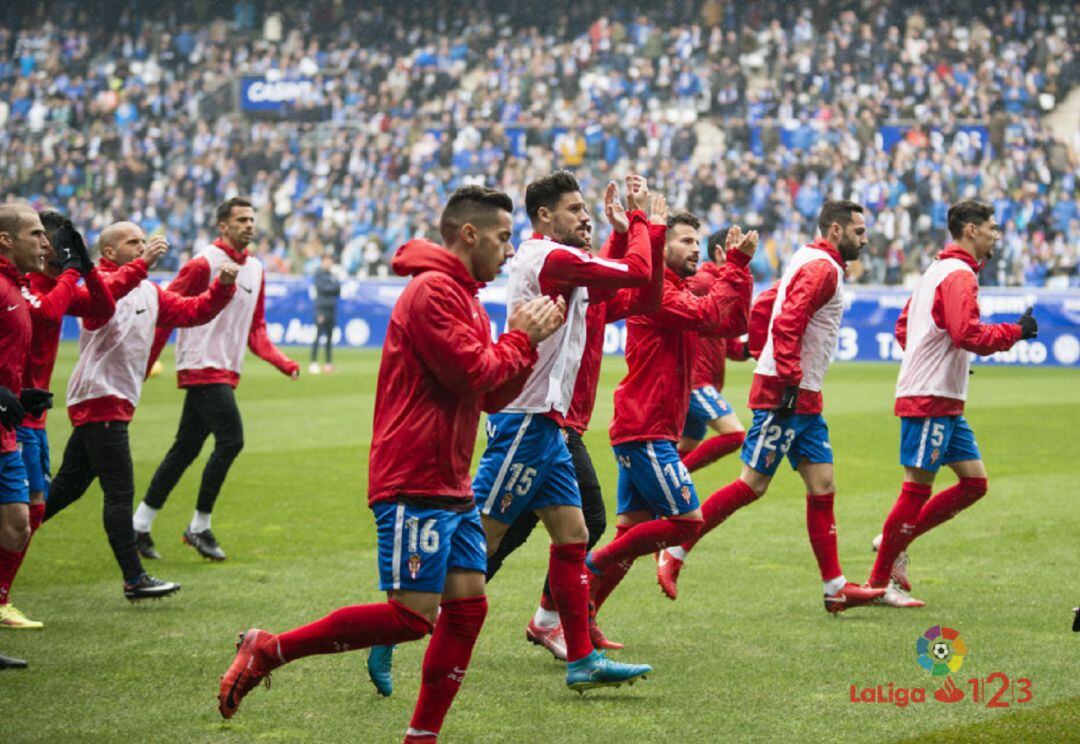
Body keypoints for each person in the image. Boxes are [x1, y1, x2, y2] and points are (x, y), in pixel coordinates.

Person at [216, 187, 564, 743]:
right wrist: (520, 339)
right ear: (469, 234)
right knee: (410, 617)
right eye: (502, 237)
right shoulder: (433, 293)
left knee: (468, 609)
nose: (509, 249)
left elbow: (493, 395)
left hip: (449, 480)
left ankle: (421, 736)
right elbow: (474, 373)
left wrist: (526, 346)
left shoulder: (466, 298)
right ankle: (269, 648)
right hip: (414, 476)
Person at [651, 201, 886, 613]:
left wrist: (762, 351)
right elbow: (788, 318)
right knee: (751, 485)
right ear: (835, 230)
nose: (865, 239)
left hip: (803, 395)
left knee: (823, 485)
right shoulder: (822, 268)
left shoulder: (810, 259)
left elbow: (766, 307)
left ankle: (834, 588)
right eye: (859, 231)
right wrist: (788, 375)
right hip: (787, 394)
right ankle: (676, 548)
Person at [467, 184, 667, 664]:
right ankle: (403, 622)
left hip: (550, 422)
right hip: (527, 420)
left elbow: (637, 289)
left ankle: (579, 657)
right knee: (482, 539)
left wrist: (636, 237)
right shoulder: (550, 260)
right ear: (544, 216)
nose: (586, 218)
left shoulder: (564, 267)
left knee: (577, 533)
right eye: (574, 210)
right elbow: (635, 273)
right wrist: (644, 224)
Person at [43, 221, 237, 601]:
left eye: (143, 241)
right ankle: (134, 578)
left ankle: (12, 532)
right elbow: (103, 304)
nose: (142, 246)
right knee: (119, 492)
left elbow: (193, 312)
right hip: (101, 397)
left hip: (111, 399)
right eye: (133, 242)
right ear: (109, 253)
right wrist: (143, 264)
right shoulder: (100, 285)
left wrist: (222, 287)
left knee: (67, 488)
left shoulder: (148, 290)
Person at [585, 212, 755, 627]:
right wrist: (733, 266)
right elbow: (713, 316)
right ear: (663, 248)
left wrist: (741, 269)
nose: (696, 248)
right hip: (646, 430)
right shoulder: (659, 292)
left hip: (650, 427)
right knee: (684, 524)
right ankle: (591, 565)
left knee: (631, 535)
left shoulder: (677, 289)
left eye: (698, 241)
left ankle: (573, 620)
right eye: (685, 241)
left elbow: (732, 323)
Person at [866, 199, 1036, 606]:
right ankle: (877, 582)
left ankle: (893, 539)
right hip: (930, 397)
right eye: (992, 227)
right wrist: (1017, 331)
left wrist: (930, 358)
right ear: (971, 230)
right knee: (916, 491)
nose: (997, 233)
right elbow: (967, 334)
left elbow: (904, 327)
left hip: (941, 394)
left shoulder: (936, 270)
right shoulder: (959, 274)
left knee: (974, 483)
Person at [134, 197, 300, 562]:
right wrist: (145, 364)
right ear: (222, 226)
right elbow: (164, 311)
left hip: (225, 368)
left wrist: (281, 362)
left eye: (252, 219)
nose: (249, 225)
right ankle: (199, 527)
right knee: (231, 439)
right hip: (201, 364)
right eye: (241, 219)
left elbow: (256, 329)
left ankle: (140, 524)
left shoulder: (255, 269)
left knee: (185, 449)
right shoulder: (203, 263)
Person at [1, 211, 114, 629]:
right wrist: (70, 273)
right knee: (21, 515)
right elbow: (48, 313)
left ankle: (3, 595)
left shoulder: (47, 284)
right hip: (15, 417)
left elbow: (103, 309)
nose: (50, 246)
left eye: (56, 241)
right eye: (44, 238)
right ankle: (2, 598)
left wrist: (85, 269)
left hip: (31, 413)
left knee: (30, 512)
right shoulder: (27, 286)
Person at [0, 205, 51, 629]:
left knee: (17, 526)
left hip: (6, 428)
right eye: (36, 234)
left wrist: (19, 396)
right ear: (6, 240)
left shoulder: (17, 288)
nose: (46, 242)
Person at [676, 231, 751, 474]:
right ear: (722, 251)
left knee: (684, 449)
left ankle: (653, 502)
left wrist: (756, 346)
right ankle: (671, 485)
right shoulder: (704, 281)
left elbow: (733, 348)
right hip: (696, 382)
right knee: (735, 434)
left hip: (704, 382)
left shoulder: (722, 286)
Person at [308, 253, 341, 375]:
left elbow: (338, 290)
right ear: (322, 262)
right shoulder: (318, 274)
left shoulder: (333, 275)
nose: (328, 263)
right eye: (326, 261)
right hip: (321, 309)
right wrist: (331, 287)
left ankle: (328, 363)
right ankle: (313, 362)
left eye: (330, 261)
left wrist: (331, 287)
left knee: (329, 338)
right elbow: (323, 288)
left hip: (332, 309)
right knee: (318, 335)